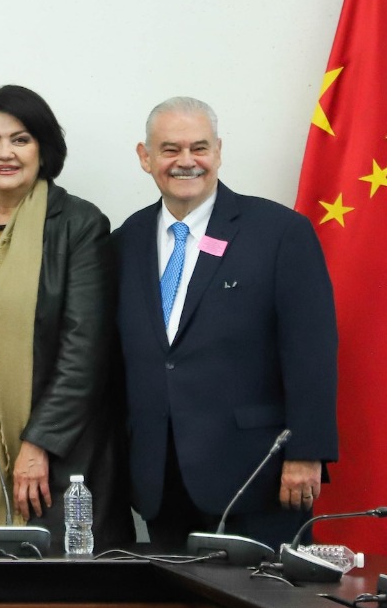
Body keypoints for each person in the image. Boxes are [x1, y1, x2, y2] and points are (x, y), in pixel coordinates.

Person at [115, 97, 338, 547]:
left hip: (258, 475)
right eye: (170, 149)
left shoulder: (279, 232)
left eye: (199, 148)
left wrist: (307, 452)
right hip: (161, 478)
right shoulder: (125, 240)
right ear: (145, 157)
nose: (186, 162)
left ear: (218, 151)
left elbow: (311, 351)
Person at [0, 85, 124, 544]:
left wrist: (38, 443)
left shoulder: (80, 225)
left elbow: (85, 350)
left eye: (20, 139)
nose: (5, 153)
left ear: (44, 147)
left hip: (57, 461)